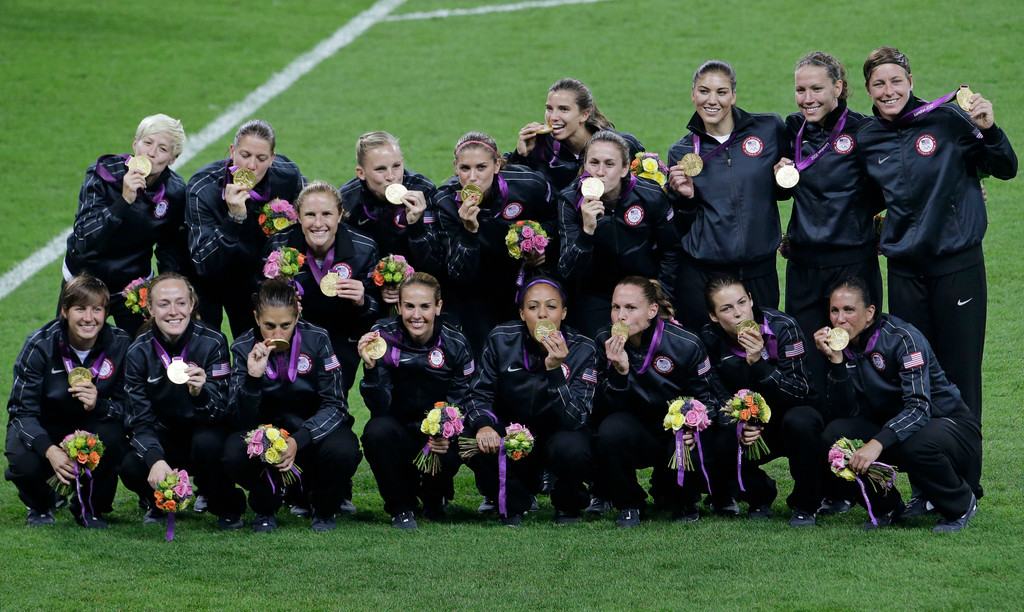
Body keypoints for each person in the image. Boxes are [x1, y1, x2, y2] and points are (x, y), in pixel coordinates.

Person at [855, 47, 1017, 471]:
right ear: (868, 90)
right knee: (918, 379)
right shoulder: (868, 137)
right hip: (905, 272)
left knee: (961, 377)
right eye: (878, 84)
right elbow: (864, 199)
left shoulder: (948, 119)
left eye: (895, 81)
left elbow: (1005, 168)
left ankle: (968, 483)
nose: (888, 91)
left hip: (956, 267)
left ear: (910, 80)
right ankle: (930, 486)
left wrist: (990, 129)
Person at [815, 277, 981, 532]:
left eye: (849, 310)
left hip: (949, 425)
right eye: (834, 311)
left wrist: (877, 443)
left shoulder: (903, 339)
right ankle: (886, 506)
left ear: (869, 312)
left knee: (912, 443)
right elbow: (846, 413)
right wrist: (836, 363)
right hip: (893, 424)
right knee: (835, 437)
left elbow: (919, 407)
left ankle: (960, 503)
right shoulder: (841, 346)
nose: (840, 319)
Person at [776, 51, 884, 395]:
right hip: (804, 268)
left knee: (860, 359)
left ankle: (860, 443)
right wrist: (776, 178)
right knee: (807, 362)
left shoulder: (864, 130)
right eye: (800, 90)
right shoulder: (792, 130)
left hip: (852, 266)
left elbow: (899, 183)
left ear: (838, 87)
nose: (807, 99)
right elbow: (776, 192)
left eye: (817, 89)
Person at [224, 280, 362, 532]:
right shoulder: (243, 347)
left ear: (297, 316)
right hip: (266, 435)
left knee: (344, 449)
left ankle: (323, 508)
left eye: (285, 325)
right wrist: (253, 379)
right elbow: (238, 419)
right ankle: (265, 506)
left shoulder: (318, 339)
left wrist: (300, 439)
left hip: (310, 434)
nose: (277, 335)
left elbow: (336, 405)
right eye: (269, 326)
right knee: (232, 452)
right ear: (256, 317)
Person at [592, 277, 728, 527]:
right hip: (637, 432)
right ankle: (629, 503)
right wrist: (619, 373)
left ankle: (686, 498)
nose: (620, 316)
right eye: (615, 307)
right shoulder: (603, 341)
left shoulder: (685, 343)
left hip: (676, 434)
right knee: (610, 429)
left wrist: (692, 425)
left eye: (630, 308)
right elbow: (600, 408)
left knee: (686, 457)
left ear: (652, 311)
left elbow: (710, 401)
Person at [463, 276, 597, 526]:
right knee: (471, 436)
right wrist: (483, 425)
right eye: (533, 307)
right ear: (522, 314)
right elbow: (478, 394)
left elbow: (576, 419)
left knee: (573, 446)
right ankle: (513, 500)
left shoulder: (583, 349)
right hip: (513, 431)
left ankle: (568, 504)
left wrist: (555, 372)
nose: (543, 315)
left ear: (564, 312)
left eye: (552, 306)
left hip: (559, 433)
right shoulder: (501, 338)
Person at [666, 60, 788, 330]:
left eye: (721, 92)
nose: (712, 100)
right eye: (704, 91)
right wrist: (684, 199)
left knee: (763, 346)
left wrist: (785, 180)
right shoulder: (682, 152)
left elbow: (783, 191)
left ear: (733, 95)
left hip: (760, 269)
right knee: (706, 356)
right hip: (705, 272)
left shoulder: (769, 130)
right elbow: (678, 224)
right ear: (693, 94)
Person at [119, 273, 245, 529]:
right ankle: (157, 502)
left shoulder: (213, 342)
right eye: (164, 304)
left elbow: (222, 414)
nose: (173, 311)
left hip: (203, 432)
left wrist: (202, 394)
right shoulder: (137, 352)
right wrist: (155, 459)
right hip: (164, 438)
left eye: (180, 303)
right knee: (131, 464)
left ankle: (220, 500)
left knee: (208, 442)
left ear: (192, 305)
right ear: (150, 309)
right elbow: (139, 421)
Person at [700, 275, 827, 527]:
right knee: (713, 434)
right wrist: (738, 422)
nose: (739, 313)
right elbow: (715, 395)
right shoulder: (708, 338)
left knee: (803, 421)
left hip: (787, 415)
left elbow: (800, 391)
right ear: (714, 316)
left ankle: (805, 505)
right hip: (749, 423)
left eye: (742, 302)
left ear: (751, 300)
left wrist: (759, 363)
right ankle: (758, 495)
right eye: (727, 308)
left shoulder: (783, 326)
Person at [6, 274, 131, 528]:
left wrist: (100, 404)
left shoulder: (121, 344)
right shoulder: (39, 345)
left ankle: (91, 506)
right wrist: (49, 450)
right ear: (64, 311)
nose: (88, 318)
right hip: (46, 425)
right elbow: (21, 412)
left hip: (91, 424)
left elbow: (130, 409)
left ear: (106, 313)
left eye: (96, 309)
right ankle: (41, 504)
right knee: (22, 459)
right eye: (80, 309)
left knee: (114, 436)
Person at [357, 272, 475, 529]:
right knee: (376, 431)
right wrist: (371, 369)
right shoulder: (381, 337)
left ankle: (436, 495)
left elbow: (462, 401)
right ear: (399, 306)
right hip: (398, 429)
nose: (416, 315)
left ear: (438, 307)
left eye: (425, 306)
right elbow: (379, 408)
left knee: (454, 444)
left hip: (438, 434)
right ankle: (401, 506)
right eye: (409, 306)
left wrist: (447, 432)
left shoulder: (457, 343)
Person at [63, 114, 189, 336]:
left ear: (172, 158)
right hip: (84, 279)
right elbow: (83, 239)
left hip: (133, 286)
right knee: (69, 352)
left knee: (139, 357)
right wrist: (123, 202)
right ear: (135, 143)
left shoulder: (175, 192)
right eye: (147, 143)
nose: (150, 153)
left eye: (162, 149)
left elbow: (170, 249)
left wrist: (162, 293)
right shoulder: (102, 174)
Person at [433, 131, 558, 354]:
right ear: (455, 167)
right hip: (476, 293)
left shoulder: (528, 184)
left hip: (523, 285)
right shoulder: (445, 202)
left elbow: (559, 219)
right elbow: (459, 274)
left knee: (528, 356)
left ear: (497, 165)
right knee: (486, 361)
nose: (472, 177)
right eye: (464, 168)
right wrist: (470, 234)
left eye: (481, 167)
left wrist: (541, 243)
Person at [187, 119, 306, 337]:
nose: (251, 165)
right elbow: (204, 264)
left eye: (261, 158)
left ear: (272, 159)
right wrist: (234, 219)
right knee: (210, 350)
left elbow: (304, 227)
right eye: (245, 155)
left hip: (260, 279)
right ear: (232, 151)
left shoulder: (288, 176)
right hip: (212, 282)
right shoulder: (203, 188)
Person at [558, 131, 681, 338]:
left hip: (643, 290)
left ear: (625, 168)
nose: (600, 172)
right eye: (594, 163)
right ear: (584, 166)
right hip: (596, 294)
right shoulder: (570, 200)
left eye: (609, 164)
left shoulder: (649, 195)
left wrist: (662, 295)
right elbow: (567, 271)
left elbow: (671, 250)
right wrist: (587, 231)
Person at [264, 180, 380, 395]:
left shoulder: (364, 247)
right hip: (293, 336)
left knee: (333, 399)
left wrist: (363, 301)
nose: (318, 223)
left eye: (327, 214)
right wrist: (278, 295)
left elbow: (378, 311)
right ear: (298, 216)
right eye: (310, 215)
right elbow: (259, 298)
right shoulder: (279, 245)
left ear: (340, 214)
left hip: (342, 338)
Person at [338, 131, 443, 302]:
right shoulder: (346, 200)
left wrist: (417, 227)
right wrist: (376, 286)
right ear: (361, 173)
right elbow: (351, 262)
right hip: (369, 289)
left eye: (396, 166)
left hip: (419, 286)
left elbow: (434, 264)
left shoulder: (423, 190)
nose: (391, 177)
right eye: (380, 169)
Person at [506, 78, 644, 191]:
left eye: (563, 109)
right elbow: (514, 192)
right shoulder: (539, 144)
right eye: (549, 108)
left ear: (584, 114)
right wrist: (520, 156)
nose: (553, 117)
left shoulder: (622, 145)